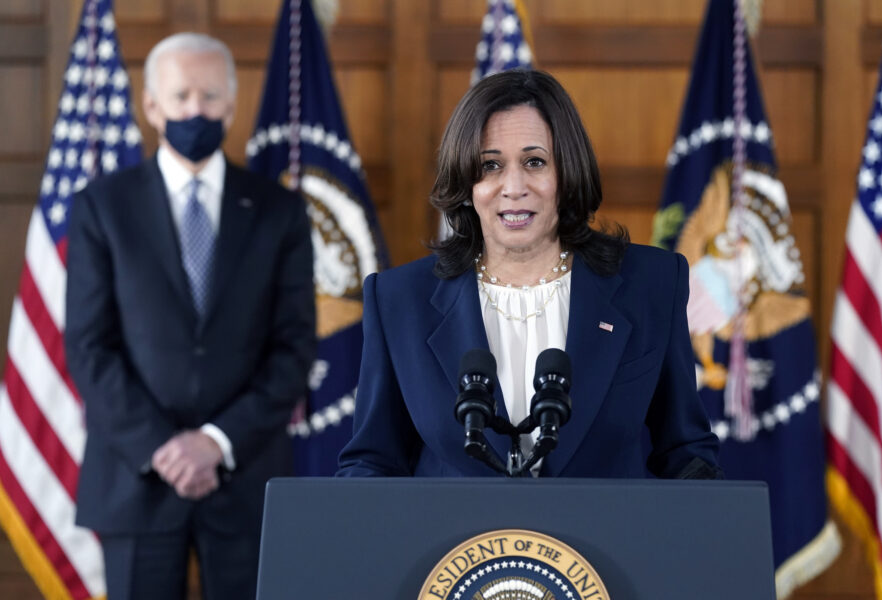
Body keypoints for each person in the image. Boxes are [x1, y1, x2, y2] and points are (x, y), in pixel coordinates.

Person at [337, 69, 721, 479]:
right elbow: (372, 463)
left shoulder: (651, 285)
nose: (513, 186)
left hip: (601, 542)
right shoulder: (400, 299)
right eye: (490, 166)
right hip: (455, 543)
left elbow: (685, 453)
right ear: (467, 183)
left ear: (567, 172)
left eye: (535, 162)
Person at [65, 33, 315, 599]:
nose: (194, 110)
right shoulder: (102, 207)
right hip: (136, 481)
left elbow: (295, 346)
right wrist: (164, 448)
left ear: (230, 103)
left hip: (248, 477)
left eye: (209, 96)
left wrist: (215, 441)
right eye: (180, 97)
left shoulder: (280, 211)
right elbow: (88, 346)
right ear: (152, 107)